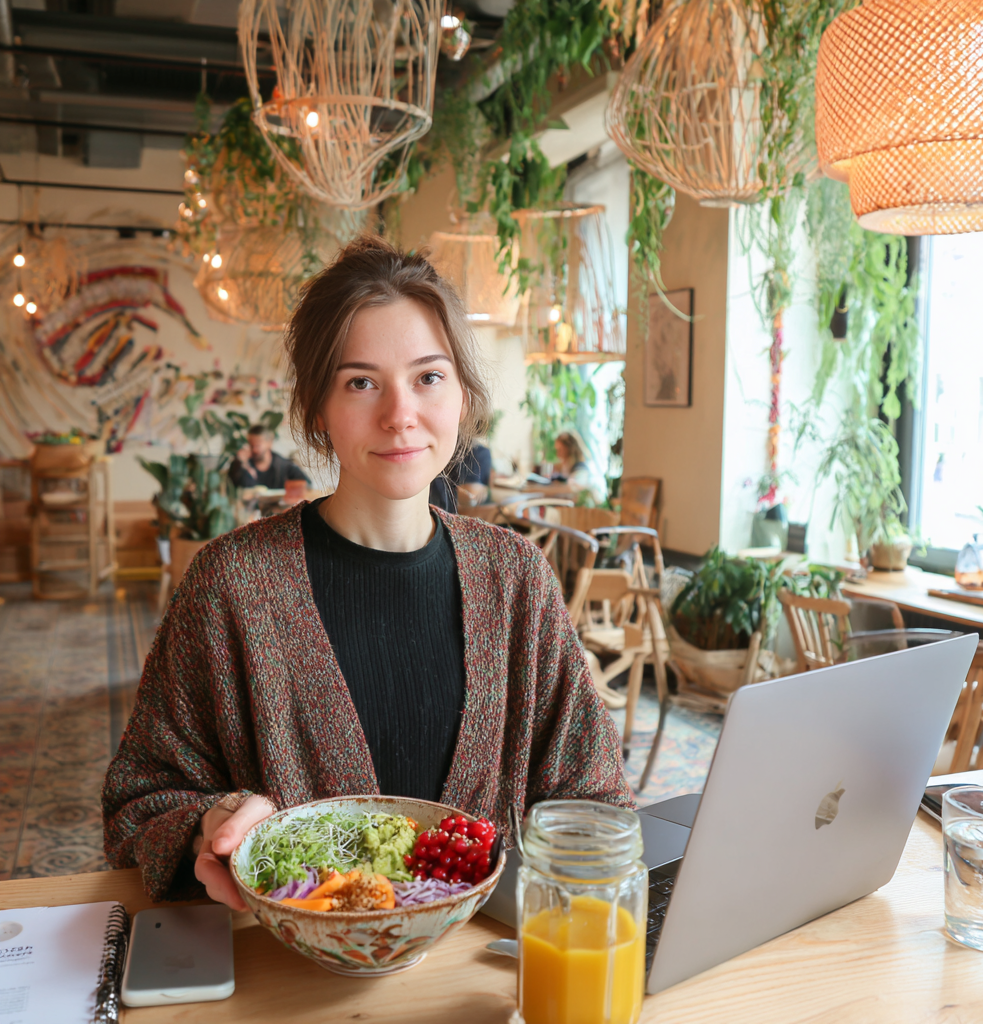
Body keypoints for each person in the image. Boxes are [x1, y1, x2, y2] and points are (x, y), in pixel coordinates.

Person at [102, 235, 630, 908]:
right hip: (291, 987)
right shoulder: (230, 585)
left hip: (478, 986)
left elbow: (595, 793)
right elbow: (138, 803)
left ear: (463, 395)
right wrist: (212, 823)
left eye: (428, 377)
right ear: (317, 409)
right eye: (361, 382)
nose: (400, 414)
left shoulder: (517, 578)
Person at [228, 424, 311, 489]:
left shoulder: (284, 466)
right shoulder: (245, 465)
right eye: (251, 445)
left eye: (257, 445)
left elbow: (307, 484)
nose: (254, 449)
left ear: (269, 443)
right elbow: (234, 485)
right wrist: (241, 464)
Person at [552, 431, 606, 503]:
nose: (558, 454)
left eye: (560, 450)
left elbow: (572, 489)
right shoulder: (567, 468)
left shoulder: (581, 469)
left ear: (569, 449)